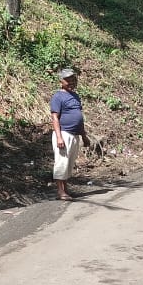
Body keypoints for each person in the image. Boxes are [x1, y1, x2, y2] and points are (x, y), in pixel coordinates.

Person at [50, 68, 90, 201]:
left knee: (68, 163)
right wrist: (59, 137)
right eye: (68, 80)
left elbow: (79, 118)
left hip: (74, 135)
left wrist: (84, 136)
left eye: (73, 79)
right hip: (64, 134)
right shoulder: (58, 96)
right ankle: (61, 192)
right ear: (61, 81)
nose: (71, 82)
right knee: (61, 162)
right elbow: (55, 118)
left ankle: (66, 190)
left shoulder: (75, 96)